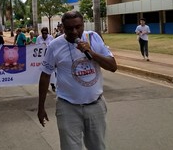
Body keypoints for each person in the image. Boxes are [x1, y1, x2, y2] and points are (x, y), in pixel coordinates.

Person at [37, 11, 117, 150]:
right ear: (62, 27)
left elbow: (112, 66)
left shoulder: (93, 38)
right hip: (68, 107)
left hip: (95, 105)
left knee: (97, 146)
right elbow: (45, 76)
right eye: (69, 28)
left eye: (78, 27)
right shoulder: (54, 46)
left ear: (83, 24)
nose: (74, 31)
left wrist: (91, 53)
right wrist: (41, 107)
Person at [36, 27, 55, 91]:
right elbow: (36, 46)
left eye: (45, 33)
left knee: (51, 71)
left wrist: (46, 45)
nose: (44, 34)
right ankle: (44, 86)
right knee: (43, 72)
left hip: (49, 56)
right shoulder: (39, 38)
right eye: (43, 33)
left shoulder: (51, 37)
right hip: (41, 57)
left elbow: (53, 46)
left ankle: (52, 85)